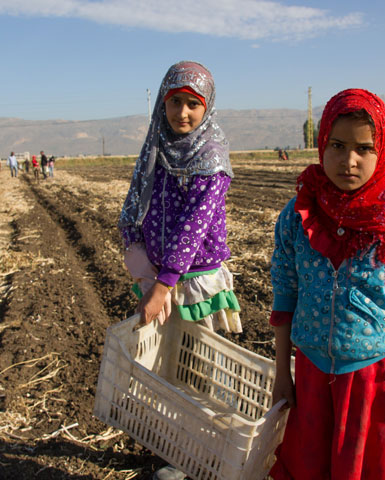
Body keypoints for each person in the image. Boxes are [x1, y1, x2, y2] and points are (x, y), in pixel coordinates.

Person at [269, 89, 385, 480]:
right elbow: (285, 291)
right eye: (337, 145)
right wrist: (283, 372)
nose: (349, 161)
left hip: (376, 381)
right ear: (321, 144)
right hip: (311, 375)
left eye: (364, 148)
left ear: (383, 150)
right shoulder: (298, 215)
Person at [119, 60, 242, 480]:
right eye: (175, 102)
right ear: (162, 102)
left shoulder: (210, 156)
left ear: (207, 108)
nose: (183, 113)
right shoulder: (156, 147)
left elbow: (194, 225)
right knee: (171, 368)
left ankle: (206, 456)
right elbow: (133, 211)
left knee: (201, 368)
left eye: (193, 104)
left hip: (192, 284)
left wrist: (165, 282)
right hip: (159, 281)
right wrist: (143, 272)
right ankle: (182, 447)